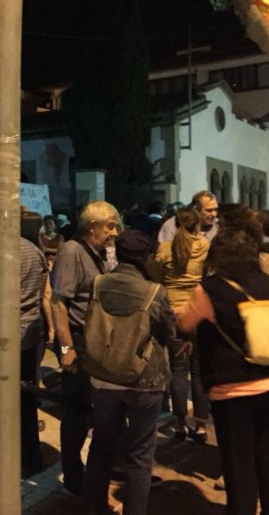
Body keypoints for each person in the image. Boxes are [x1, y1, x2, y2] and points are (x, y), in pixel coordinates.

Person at [177, 206, 269, 515]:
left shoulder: (211, 289)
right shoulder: (267, 283)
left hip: (230, 392)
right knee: (266, 458)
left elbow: (184, 322)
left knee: (239, 466)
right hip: (268, 385)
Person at [84, 230, 175, 515]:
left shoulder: (98, 284)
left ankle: (93, 507)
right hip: (144, 380)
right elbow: (169, 331)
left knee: (101, 445)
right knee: (140, 454)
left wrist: (66, 349)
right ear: (144, 258)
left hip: (103, 376)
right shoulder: (154, 292)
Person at [50, 200, 120, 496]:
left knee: (96, 409)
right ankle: (73, 476)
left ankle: (102, 467)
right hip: (78, 340)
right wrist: (67, 348)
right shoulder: (72, 252)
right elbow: (59, 302)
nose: (114, 232)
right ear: (93, 226)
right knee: (76, 412)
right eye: (110, 226)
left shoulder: (98, 252)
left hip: (95, 340)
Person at [154, 207, 210, 441]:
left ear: (176, 225)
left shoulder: (165, 249)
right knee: (198, 371)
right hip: (197, 313)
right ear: (197, 225)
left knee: (178, 370)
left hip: (173, 314)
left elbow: (157, 277)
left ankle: (179, 424)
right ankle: (201, 425)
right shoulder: (204, 246)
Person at [19, 214, 53, 477]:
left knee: (8, 397)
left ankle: (14, 454)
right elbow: (45, 294)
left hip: (7, 334)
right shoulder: (37, 253)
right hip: (31, 330)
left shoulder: (6, 253)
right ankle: (32, 456)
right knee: (28, 394)